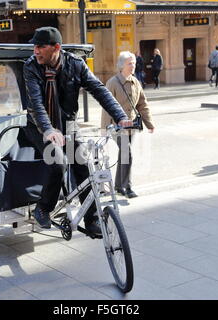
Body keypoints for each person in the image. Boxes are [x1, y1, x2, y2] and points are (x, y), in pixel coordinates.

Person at [22, 27, 131, 233]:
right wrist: (48, 130)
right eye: (34, 46)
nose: (35, 51)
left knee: (83, 162)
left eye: (40, 47)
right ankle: (43, 208)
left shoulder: (75, 64)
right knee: (59, 162)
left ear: (56, 47)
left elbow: (100, 90)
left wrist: (121, 116)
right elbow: (36, 104)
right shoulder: (31, 67)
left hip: (68, 125)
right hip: (39, 127)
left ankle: (91, 220)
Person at [101, 51, 155, 199]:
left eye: (134, 63)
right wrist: (104, 129)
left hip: (131, 127)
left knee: (124, 155)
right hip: (116, 127)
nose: (133, 66)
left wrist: (149, 123)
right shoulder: (112, 82)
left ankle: (119, 186)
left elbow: (142, 104)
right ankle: (128, 186)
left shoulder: (136, 82)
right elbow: (106, 106)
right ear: (121, 65)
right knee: (127, 154)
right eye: (130, 63)